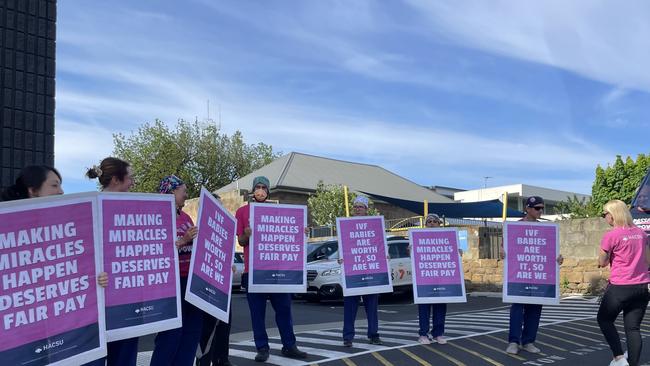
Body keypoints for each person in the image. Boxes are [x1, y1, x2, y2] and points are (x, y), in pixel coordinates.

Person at [235, 176, 307, 362]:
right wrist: (246, 234)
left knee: (284, 310)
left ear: (268, 191)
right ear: (253, 190)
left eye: (263, 188)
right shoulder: (242, 212)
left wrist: (302, 231)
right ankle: (262, 348)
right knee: (257, 314)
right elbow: (241, 241)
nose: (260, 190)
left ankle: (289, 346)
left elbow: (289, 234)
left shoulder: (279, 211)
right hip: (253, 272)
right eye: (257, 187)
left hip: (278, 272)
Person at [84, 157, 137, 366]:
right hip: (99, 304)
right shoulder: (89, 208)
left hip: (127, 298)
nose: (132, 183)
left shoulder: (135, 209)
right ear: (116, 179)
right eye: (130, 178)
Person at [151, 175, 203, 366]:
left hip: (191, 282)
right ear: (172, 192)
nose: (187, 195)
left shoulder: (186, 216)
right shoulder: (157, 216)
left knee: (191, 333)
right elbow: (153, 251)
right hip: (171, 284)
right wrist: (183, 241)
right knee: (171, 335)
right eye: (184, 191)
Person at [502, 196, 563, 355]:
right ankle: (513, 342)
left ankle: (528, 341)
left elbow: (549, 251)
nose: (540, 211)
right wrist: (503, 251)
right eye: (537, 208)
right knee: (517, 309)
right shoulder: (514, 227)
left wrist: (557, 258)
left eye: (542, 208)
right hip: (519, 276)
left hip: (538, 276)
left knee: (535, 309)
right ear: (528, 209)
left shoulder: (545, 230)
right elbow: (505, 248)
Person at [597, 200, 650, 366]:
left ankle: (619, 358)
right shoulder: (641, 234)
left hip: (620, 287)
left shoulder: (611, 235)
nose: (604, 217)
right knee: (633, 328)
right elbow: (648, 260)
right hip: (642, 287)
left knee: (604, 319)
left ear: (612, 216)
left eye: (605, 214)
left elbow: (602, 262)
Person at [341, 196, 383, 347]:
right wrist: (341, 258)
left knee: (371, 307)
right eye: (355, 207)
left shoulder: (374, 225)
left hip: (370, 271)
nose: (357, 209)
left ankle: (373, 334)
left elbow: (379, 246)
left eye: (360, 207)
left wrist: (385, 256)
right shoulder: (345, 226)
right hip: (352, 272)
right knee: (349, 307)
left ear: (366, 209)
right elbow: (343, 247)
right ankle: (347, 337)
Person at [417, 213, 451, 345]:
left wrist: (457, 252)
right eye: (429, 221)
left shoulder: (447, 238)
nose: (431, 223)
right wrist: (411, 250)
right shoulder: (418, 238)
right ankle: (423, 334)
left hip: (441, 279)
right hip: (424, 280)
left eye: (434, 221)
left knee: (440, 307)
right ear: (425, 225)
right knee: (424, 307)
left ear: (439, 224)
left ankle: (438, 333)